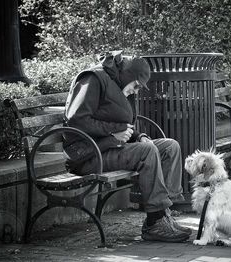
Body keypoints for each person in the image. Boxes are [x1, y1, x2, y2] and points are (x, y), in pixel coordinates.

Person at [63, 50, 191, 242]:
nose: (137, 91)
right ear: (129, 75)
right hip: (88, 154)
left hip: (108, 146)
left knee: (170, 146)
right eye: (137, 86)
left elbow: (120, 123)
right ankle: (155, 223)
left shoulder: (118, 84)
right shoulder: (93, 78)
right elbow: (76, 120)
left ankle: (164, 214)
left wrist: (139, 136)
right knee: (147, 152)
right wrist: (114, 132)